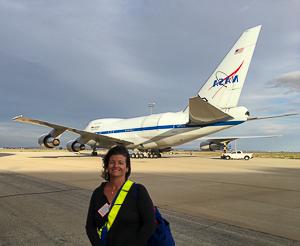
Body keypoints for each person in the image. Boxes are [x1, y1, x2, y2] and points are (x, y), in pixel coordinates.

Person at [86, 145, 156, 246]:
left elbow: (149, 224)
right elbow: (90, 226)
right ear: (106, 166)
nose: (116, 166)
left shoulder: (138, 191)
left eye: (120, 163)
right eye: (112, 162)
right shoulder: (98, 193)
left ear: (127, 168)